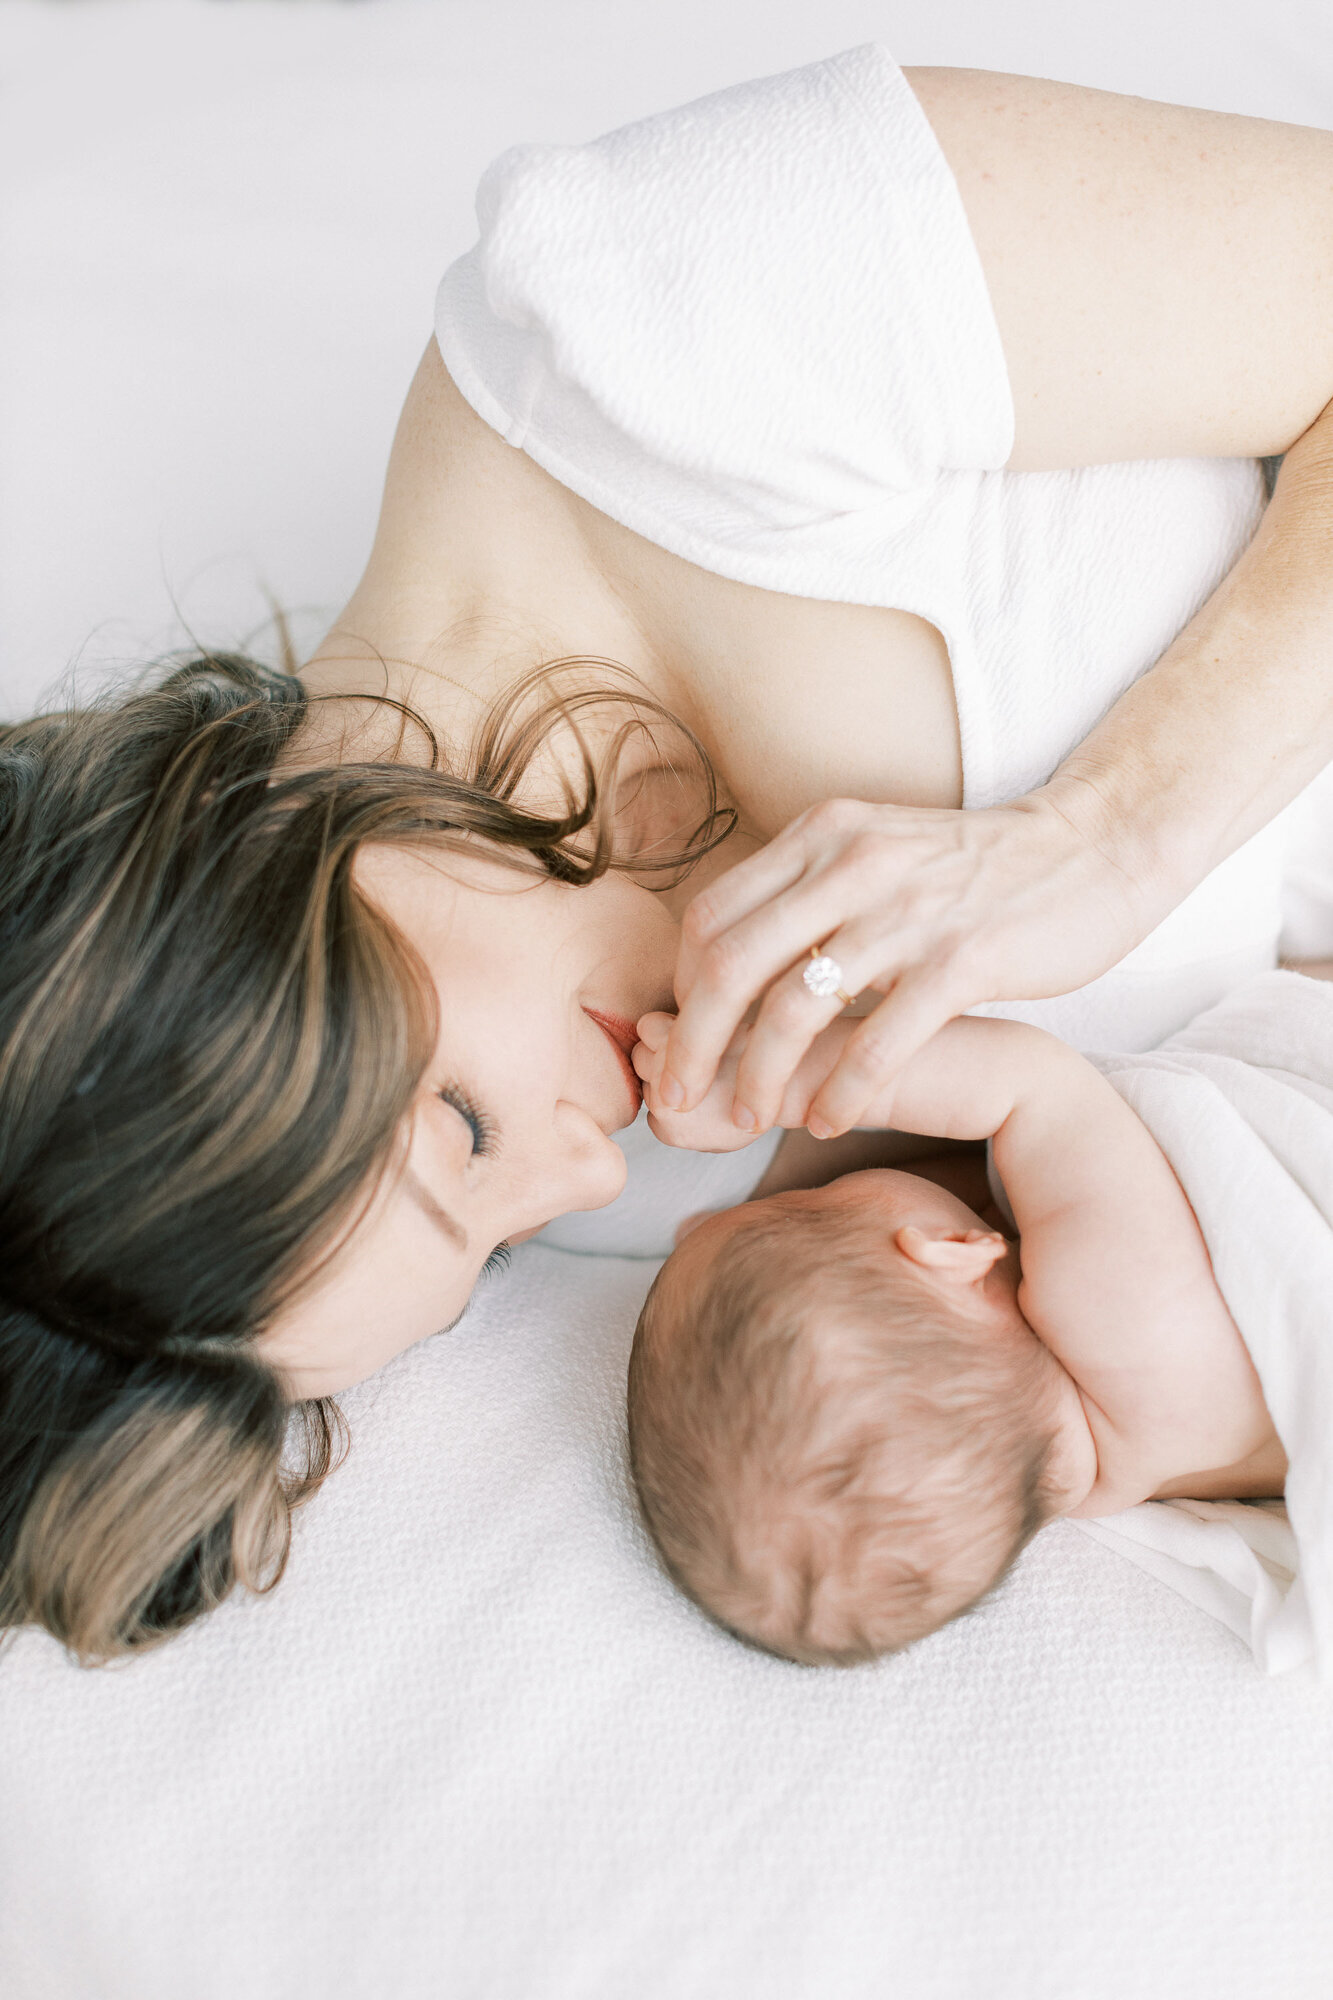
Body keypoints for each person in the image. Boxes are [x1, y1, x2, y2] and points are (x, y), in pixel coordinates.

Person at [3, 47, 1333, 1661]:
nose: (585, 1175)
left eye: (463, 1128)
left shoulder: (673, 316)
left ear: (258, 900)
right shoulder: (662, 1194)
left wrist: (1110, 832)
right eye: (493, 1253)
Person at [625, 981, 1312, 1664]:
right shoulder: (1114, 1305)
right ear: (952, 1254)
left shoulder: (1100, 1485)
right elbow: (1030, 1083)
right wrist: (778, 1078)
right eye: (822, 1195)